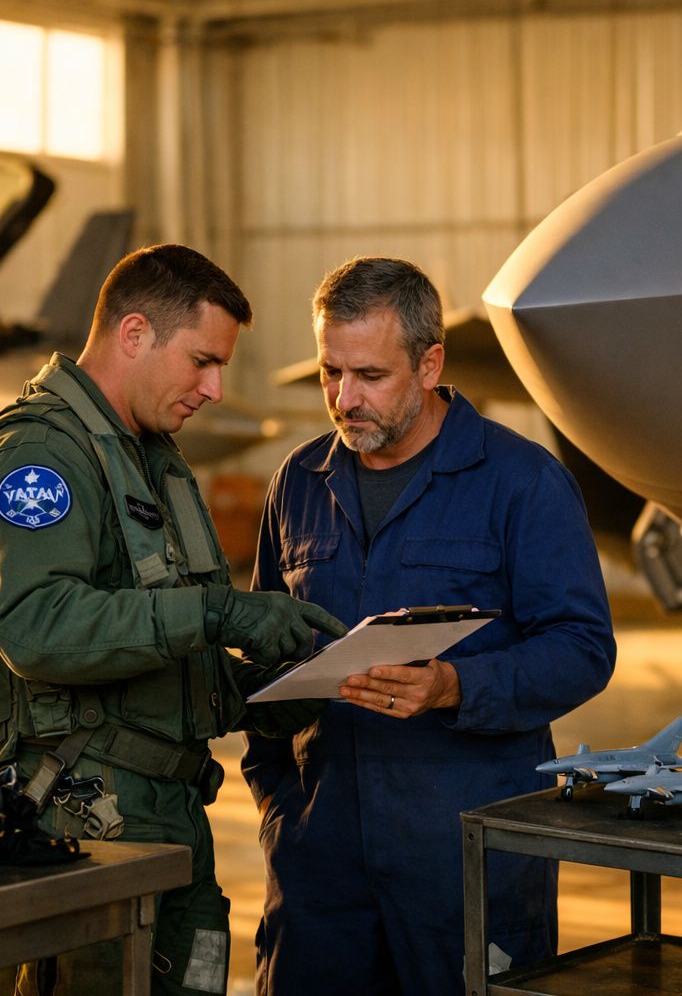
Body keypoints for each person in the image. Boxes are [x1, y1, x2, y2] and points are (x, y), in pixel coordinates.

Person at [0, 243, 345, 996]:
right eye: (201, 361)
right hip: (75, 829)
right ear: (133, 335)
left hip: (160, 822)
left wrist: (259, 695)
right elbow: (38, 628)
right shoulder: (39, 456)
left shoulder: (146, 456)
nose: (216, 388)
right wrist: (222, 609)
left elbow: (150, 655)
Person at [244, 256, 616, 994]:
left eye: (370, 376)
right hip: (320, 868)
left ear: (429, 363)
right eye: (329, 372)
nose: (344, 399)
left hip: (467, 854)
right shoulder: (298, 483)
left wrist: (455, 686)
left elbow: (582, 647)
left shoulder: (520, 482)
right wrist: (281, 807)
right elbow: (263, 648)